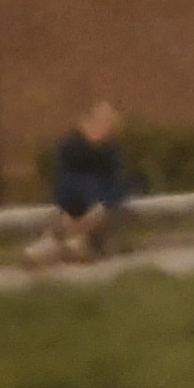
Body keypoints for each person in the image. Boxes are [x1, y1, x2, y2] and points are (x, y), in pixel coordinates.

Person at [23, 100, 133, 267]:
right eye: (99, 119)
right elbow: (65, 180)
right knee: (69, 206)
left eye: (108, 121)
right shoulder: (71, 145)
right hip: (74, 203)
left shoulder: (111, 150)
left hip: (99, 207)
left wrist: (101, 207)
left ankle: (68, 245)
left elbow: (117, 183)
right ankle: (55, 246)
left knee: (98, 212)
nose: (103, 125)